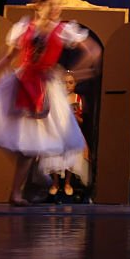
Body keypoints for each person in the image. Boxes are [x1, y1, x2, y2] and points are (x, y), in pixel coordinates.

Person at [0, 0, 100, 206]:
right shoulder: (25, 28)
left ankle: (22, 189)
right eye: (53, 3)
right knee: (22, 143)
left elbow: (93, 51)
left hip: (45, 87)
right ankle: (22, 189)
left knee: (31, 145)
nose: (57, 8)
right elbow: (11, 55)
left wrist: (70, 73)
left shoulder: (63, 30)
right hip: (22, 83)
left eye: (60, 4)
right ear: (41, 6)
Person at [41, 71, 89, 199]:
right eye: (64, 83)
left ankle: (67, 183)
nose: (67, 86)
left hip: (71, 131)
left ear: (75, 84)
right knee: (55, 155)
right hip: (57, 131)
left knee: (71, 155)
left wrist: (73, 115)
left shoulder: (77, 98)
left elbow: (82, 120)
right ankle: (55, 183)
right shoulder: (56, 99)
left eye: (70, 83)